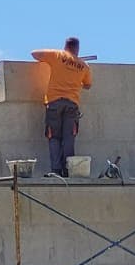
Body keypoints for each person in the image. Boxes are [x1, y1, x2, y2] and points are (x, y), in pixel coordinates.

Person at [31, 37, 93, 177]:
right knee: (68, 138)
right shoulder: (84, 65)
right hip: (72, 105)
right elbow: (88, 85)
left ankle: (56, 170)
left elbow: (34, 54)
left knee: (54, 137)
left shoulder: (57, 55)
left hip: (54, 102)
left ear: (65, 46)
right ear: (77, 48)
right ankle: (69, 171)